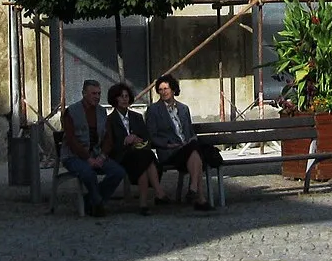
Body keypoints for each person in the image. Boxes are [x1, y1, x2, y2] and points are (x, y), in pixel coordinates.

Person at [145, 74, 220, 210]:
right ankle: (198, 196)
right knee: (195, 150)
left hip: (187, 149)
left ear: (173, 89)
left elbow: (190, 132)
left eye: (166, 88)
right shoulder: (153, 110)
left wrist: (190, 141)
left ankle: (197, 195)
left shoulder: (183, 108)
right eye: (160, 89)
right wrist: (167, 144)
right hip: (169, 151)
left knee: (193, 151)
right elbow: (152, 135)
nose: (164, 92)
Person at [58, 79, 126, 218]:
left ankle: (90, 201)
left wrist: (102, 156)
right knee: (88, 173)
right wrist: (87, 158)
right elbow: (71, 140)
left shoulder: (102, 112)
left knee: (118, 172)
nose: (96, 96)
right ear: (84, 94)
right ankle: (97, 203)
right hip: (73, 156)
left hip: (96, 153)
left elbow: (108, 138)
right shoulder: (71, 112)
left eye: (99, 93)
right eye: (93, 93)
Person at [109, 82, 161, 215]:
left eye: (126, 96)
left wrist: (138, 140)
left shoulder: (137, 117)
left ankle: (144, 204)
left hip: (139, 153)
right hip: (121, 155)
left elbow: (147, 138)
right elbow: (110, 144)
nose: (124, 99)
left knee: (142, 159)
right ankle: (158, 192)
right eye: (121, 96)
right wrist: (125, 141)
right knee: (145, 158)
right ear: (115, 99)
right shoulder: (110, 120)